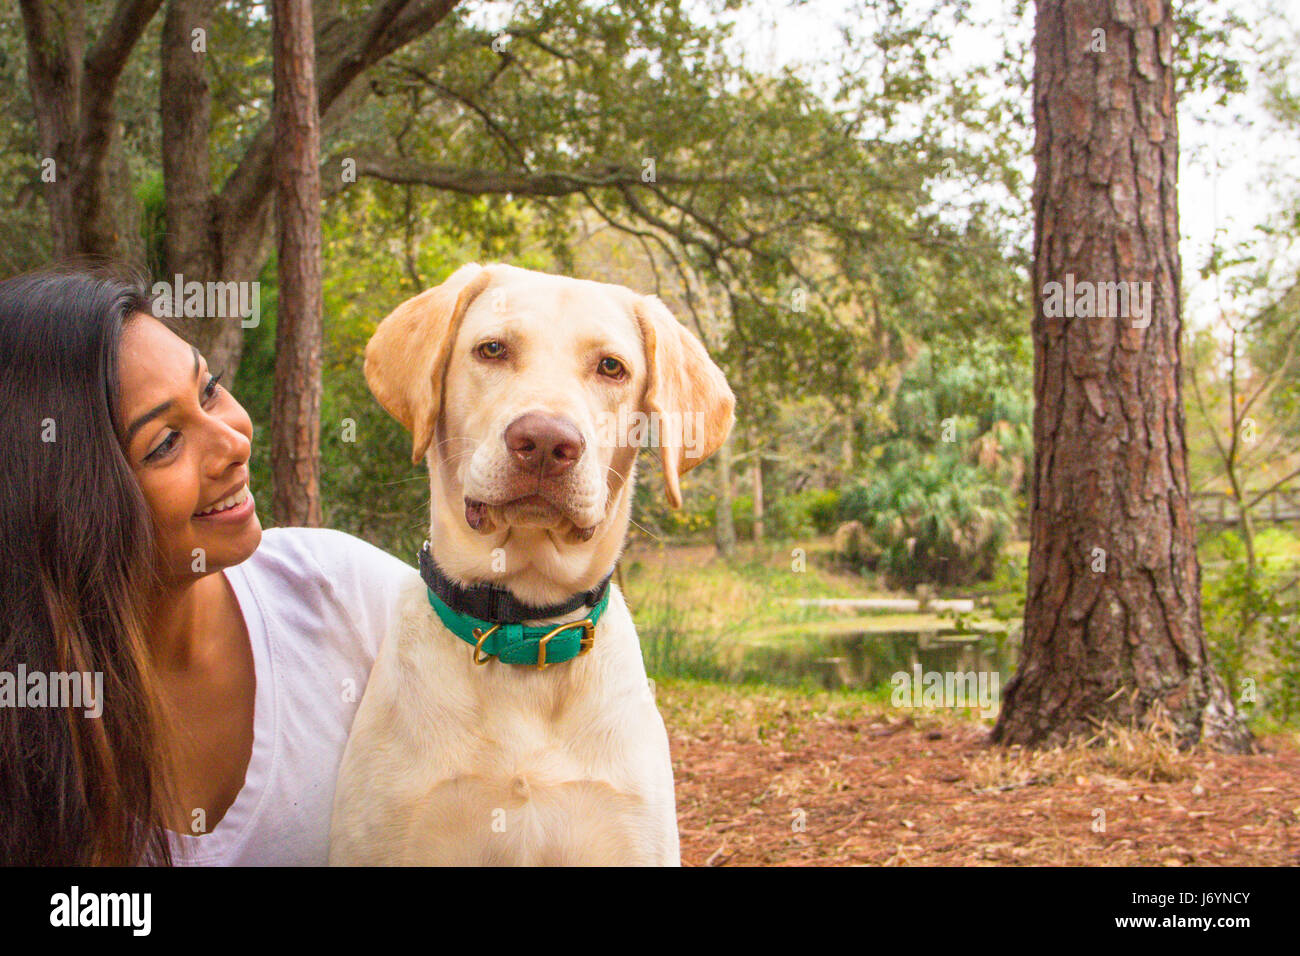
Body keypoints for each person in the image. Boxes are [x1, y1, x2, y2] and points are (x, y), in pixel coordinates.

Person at [0, 264, 417, 865]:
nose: (234, 441)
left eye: (209, 389)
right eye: (165, 443)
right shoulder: (31, 724)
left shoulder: (342, 595)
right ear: (63, 506)